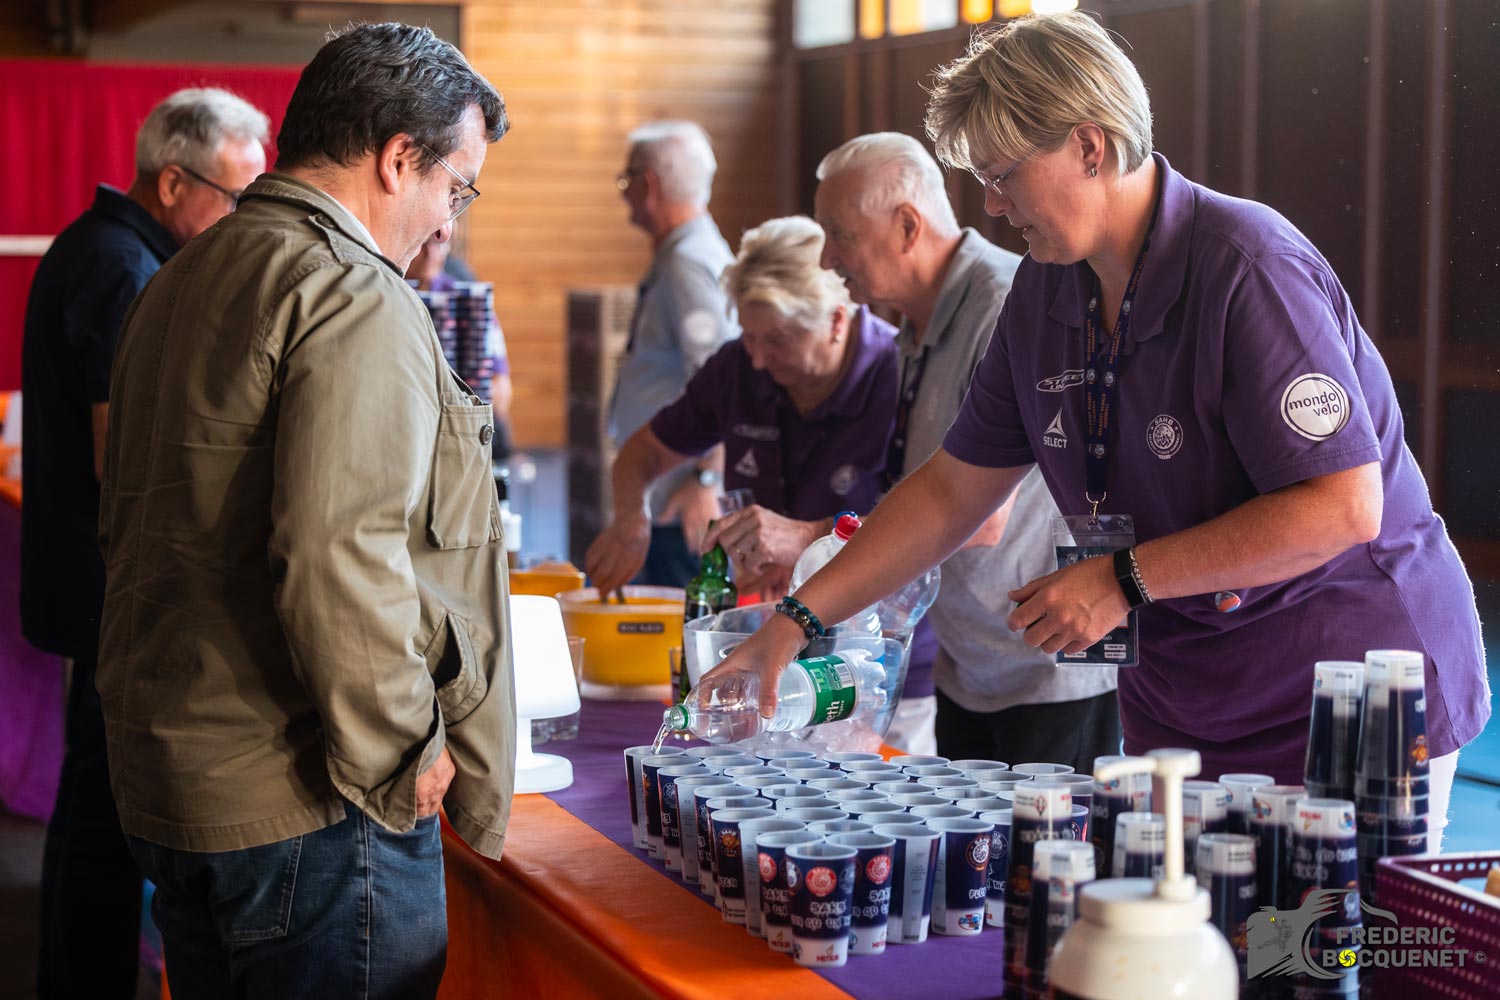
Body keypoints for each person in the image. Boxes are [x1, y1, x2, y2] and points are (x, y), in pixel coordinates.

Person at [710, 11, 1487, 850]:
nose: (992, 206)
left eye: (1003, 174)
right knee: (1189, 954)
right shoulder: (1044, 297)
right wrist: (793, 624)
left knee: (1310, 960)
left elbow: (1342, 507)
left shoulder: (1248, 266)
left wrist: (1123, 579)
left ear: (1090, 147)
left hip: (1345, 684)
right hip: (1188, 692)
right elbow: (947, 492)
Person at [97, 24, 515, 998]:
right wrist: (402, 749)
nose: (448, 222)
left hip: (174, 768)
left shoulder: (183, 273)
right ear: (397, 156)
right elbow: (341, 554)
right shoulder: (352, 291)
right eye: (456, 186)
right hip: (303, 801)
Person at [20, 86, 268, 999]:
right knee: (104, 806)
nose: (246, 220)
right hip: (109, 579)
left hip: (87, 572)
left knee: (96, 798)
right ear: (173, 182)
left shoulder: (101, 246)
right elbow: (125, 453)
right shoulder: (126, 268)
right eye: (236, 199)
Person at [800, 131, 1118, 765]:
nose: (827, 260)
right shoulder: (912, 327)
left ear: (907, 226)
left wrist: (811, 538)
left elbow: (975, 512)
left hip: (1049, 669)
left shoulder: (1003, 303)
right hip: (970, 663)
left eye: (839, 234)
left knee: (1041, 862)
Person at [585, 215, 898, 604]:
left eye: (778, 340)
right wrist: (632, 517)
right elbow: (642, 453)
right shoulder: (737, 367)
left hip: (877, 638)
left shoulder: (898, 373)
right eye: (750, 337)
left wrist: (806, 539)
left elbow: (943, 520)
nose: (760, 360)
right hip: (770, 619)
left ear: (836, 320)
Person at [609, 120, 739, 586]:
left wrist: (706, 481)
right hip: (666, 486)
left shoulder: (688, 264)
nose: (624, 195)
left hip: (680, 497)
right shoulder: (685, 253)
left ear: (649, 186)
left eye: (627, 182)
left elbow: (722, 376)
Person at [408, 232, 514, 453]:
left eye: (439, 245)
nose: (431, 254)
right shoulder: (392, 291)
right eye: (422, 244)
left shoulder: (468, 299)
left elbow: (501, 392)